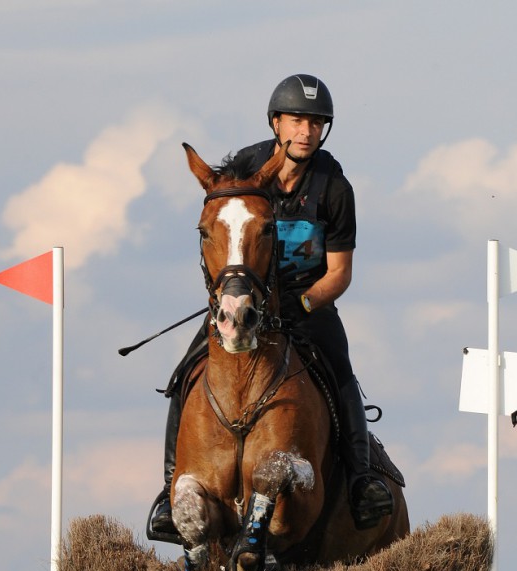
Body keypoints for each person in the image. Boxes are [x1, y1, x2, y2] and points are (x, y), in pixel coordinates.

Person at [147, 73, 393, 541]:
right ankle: (168, 493)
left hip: (308, 301)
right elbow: (221, 226)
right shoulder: (245, 165)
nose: (306, 131)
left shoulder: (334, 189)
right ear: (276, 123)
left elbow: (340, 273)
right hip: (245, 297)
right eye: (297, 121)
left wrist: (302, 303)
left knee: (341, 372)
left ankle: (362, 480)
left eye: (316, 123)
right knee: (185, 374)